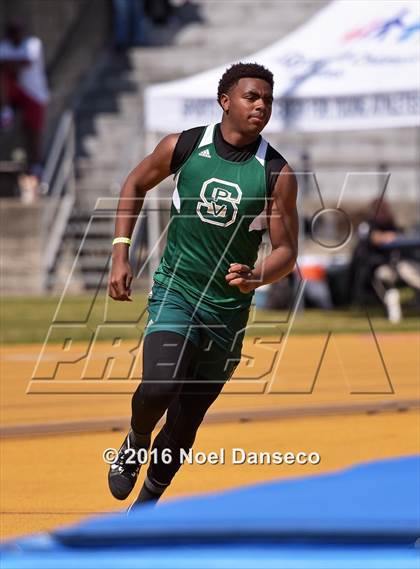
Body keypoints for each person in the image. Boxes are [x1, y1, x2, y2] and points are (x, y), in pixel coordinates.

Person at [107, 62, 298, 508]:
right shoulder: (185, 146)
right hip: (178, 290)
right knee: (158, 386)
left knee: (185, 425)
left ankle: (146, 506)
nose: (261, 106)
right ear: (225, 100)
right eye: (252, 97)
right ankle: (135, 439)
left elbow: (287, 250)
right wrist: (121, 252)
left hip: (227, 312)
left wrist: (259, 275)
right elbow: (135, 182)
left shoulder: (276, 172)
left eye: (268, 99)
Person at [350, 198, 420, 322]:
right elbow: (373, 237)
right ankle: (395, 314)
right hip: (376, 266)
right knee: (386, 281)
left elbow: (400, 236)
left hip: (397, 264)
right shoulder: (368, 224)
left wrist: (394, 236)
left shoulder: (390, 224)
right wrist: (383, 237)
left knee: (409, 270)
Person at [0, 20, 49, 180]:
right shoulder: (5, 46)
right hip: (17, 92)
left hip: (36, 94)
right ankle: (6, 112)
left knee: (33, 131)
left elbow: (25, 62)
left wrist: (9, 63)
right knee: (2, 77)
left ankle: (36, 165)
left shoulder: (33, 44)